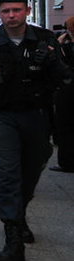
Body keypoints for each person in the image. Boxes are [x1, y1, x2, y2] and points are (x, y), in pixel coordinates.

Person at [0, 0, 72, 261]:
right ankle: (13, 240)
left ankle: (19, 216)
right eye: (6, 11)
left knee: (31, 172)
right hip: (1, 117)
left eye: (17, 10)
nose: (11, 15)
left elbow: (65, 78)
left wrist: (51, 62)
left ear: (27, 11)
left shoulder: (44, 40)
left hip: (35, 117)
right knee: (7, 175)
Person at [49, 16, 74, 173]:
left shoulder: (67, 47)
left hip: (67, 91)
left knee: (65, 128)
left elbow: (56, 55)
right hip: (67, 91)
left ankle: (66, 162)